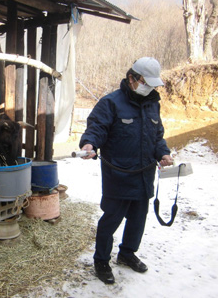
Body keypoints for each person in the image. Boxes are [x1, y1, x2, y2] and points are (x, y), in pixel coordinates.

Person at [79, 57, 173, 284]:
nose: (148, 87)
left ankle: (127, 253)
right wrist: (89, 144)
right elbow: (97, 127)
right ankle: (101, 260)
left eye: (152, 83)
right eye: (145, 82)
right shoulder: (111, 102)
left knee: (138, 219)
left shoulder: (153, 103)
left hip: (144, 175)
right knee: (111, 220)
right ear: (131, 78)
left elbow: (157, 135)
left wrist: (163, 152)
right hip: (118, 176)